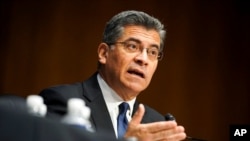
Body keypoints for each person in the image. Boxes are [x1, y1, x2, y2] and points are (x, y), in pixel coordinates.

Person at [39, 10, 186, 141]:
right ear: (104, 53)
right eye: (132, 46)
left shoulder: (155, 124)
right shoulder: (63, 101)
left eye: (152, 52)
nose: (143, 59)